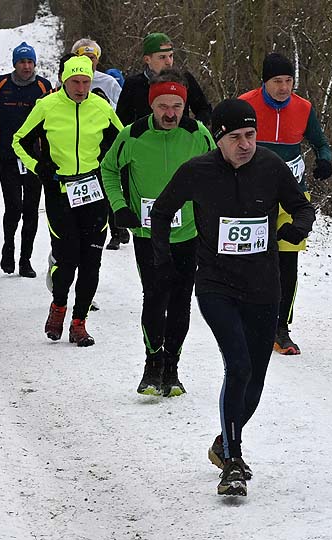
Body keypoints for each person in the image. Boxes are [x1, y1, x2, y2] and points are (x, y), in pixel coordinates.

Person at [150, 98, 315, 496]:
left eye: (251, 135)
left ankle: (224, 442)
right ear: (219, 138)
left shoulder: (271, 167)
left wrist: (297, 228)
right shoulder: (198, 171)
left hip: (264, 286)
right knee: (238, 366)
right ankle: (233, 461)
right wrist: (163, 258)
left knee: (255, 378)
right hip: (216, 286)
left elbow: (302, 207)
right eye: (236, 137)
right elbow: (162, 211)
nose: (245, 145)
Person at [101, 69, 214, 397]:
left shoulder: (198, 134)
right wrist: (119, 206)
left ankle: (172, 368)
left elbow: (217, 172)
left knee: (180, 300)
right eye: (163, 106)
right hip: (148, 234)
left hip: (187, 233)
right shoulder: (133, 135)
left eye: (177, 106)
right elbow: (108, 169)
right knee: (154, 296)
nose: (170, 113)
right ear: (152, 105)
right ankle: (152, 364)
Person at [13, 55, 123, 346]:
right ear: (64, 81)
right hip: (59, 193)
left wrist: (107, 168)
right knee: (67, 258)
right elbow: (18, 140)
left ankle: (79, 323)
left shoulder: (101, 107)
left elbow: (122, 143)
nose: (81, 88)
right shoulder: (47, 106)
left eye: (86, 82)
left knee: (91, 261)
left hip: (93, 193)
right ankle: (59, 305)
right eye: (75, 82)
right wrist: (39, 166)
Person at [240, 52, 332, 355]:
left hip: (293, 195)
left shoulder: (303, 108)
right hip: (252, 193)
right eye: (277, 81)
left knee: (287, 262)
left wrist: (324, 160)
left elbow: (320, 142)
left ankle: (280, 327)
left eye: (288, 81)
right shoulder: (246, 104)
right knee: (253, 258)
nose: (283, 88)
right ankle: (248, 318)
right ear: (264, 82)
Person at [0, 42, 51, 277]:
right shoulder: (1, 83)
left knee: (31, 210)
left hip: (34, 158)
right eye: (22, 62)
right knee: (13, 208)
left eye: (30, 62)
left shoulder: (43, 86)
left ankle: (25, 259)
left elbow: (52, 121)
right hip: (8, 156)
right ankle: (8, 248)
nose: (26, 66)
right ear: (15, 63)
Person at [71, 38, 128, 250]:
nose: (89, 61)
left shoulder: (108, 82)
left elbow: (122, 107)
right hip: (80, 142)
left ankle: (116, 231)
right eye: (84, 57)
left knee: (108, 185)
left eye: (92, 58)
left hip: (105, 140)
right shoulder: (69, 81)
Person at [116, 32, 211, 127]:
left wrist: (194, 129)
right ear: (147, 59)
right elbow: (120, 122)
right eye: (162, 57)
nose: (168, 62)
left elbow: (204, 109)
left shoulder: (184, 79)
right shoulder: (134, 84)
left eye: (171, 56)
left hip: (179, 135)